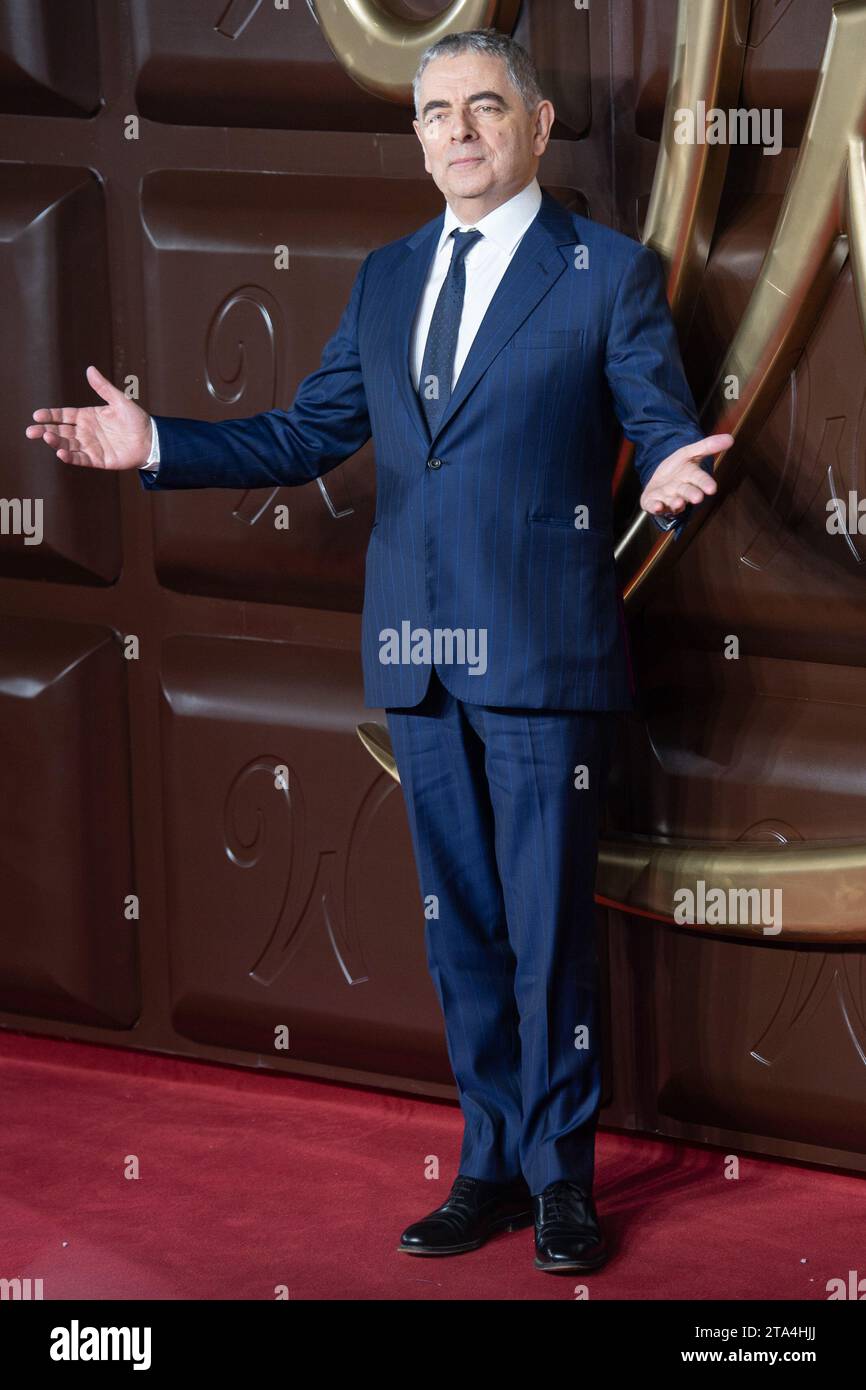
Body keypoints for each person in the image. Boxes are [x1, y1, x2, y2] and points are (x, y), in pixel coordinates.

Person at [26, 28, 731, 1274]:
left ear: (536, 122)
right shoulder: (387, 277)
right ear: (416, 136)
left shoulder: (605, 273)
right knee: (458, 931)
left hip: (539, 659)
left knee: (548, 930)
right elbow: (305, 434)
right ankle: (490, 1168)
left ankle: (564, 1182)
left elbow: (658, 419)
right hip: (414, 655)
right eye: (434, 114)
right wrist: (154, 446)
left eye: (483, 109)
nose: (457, 133)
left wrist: (673, 469)